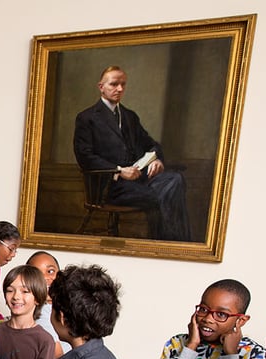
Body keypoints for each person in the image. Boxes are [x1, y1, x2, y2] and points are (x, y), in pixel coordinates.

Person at [73, 65, 190, 242]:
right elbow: (85, 157)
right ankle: (169, 243)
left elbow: (151, 144)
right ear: (101, 87)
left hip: (139, 181)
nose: (119, 89)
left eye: (123, 84)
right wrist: (119, 170)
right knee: (163, 193)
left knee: (175, 180)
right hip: (108, 187)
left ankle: (170, 242)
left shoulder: (130, 116)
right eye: (114, 84)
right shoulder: (87, 118)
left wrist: (155, 157)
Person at [25, 251, 70, 359]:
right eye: (37, 274)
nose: (45, 278)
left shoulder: (67, 307)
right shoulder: (39, 314)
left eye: (50, 271)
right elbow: (58, 358)